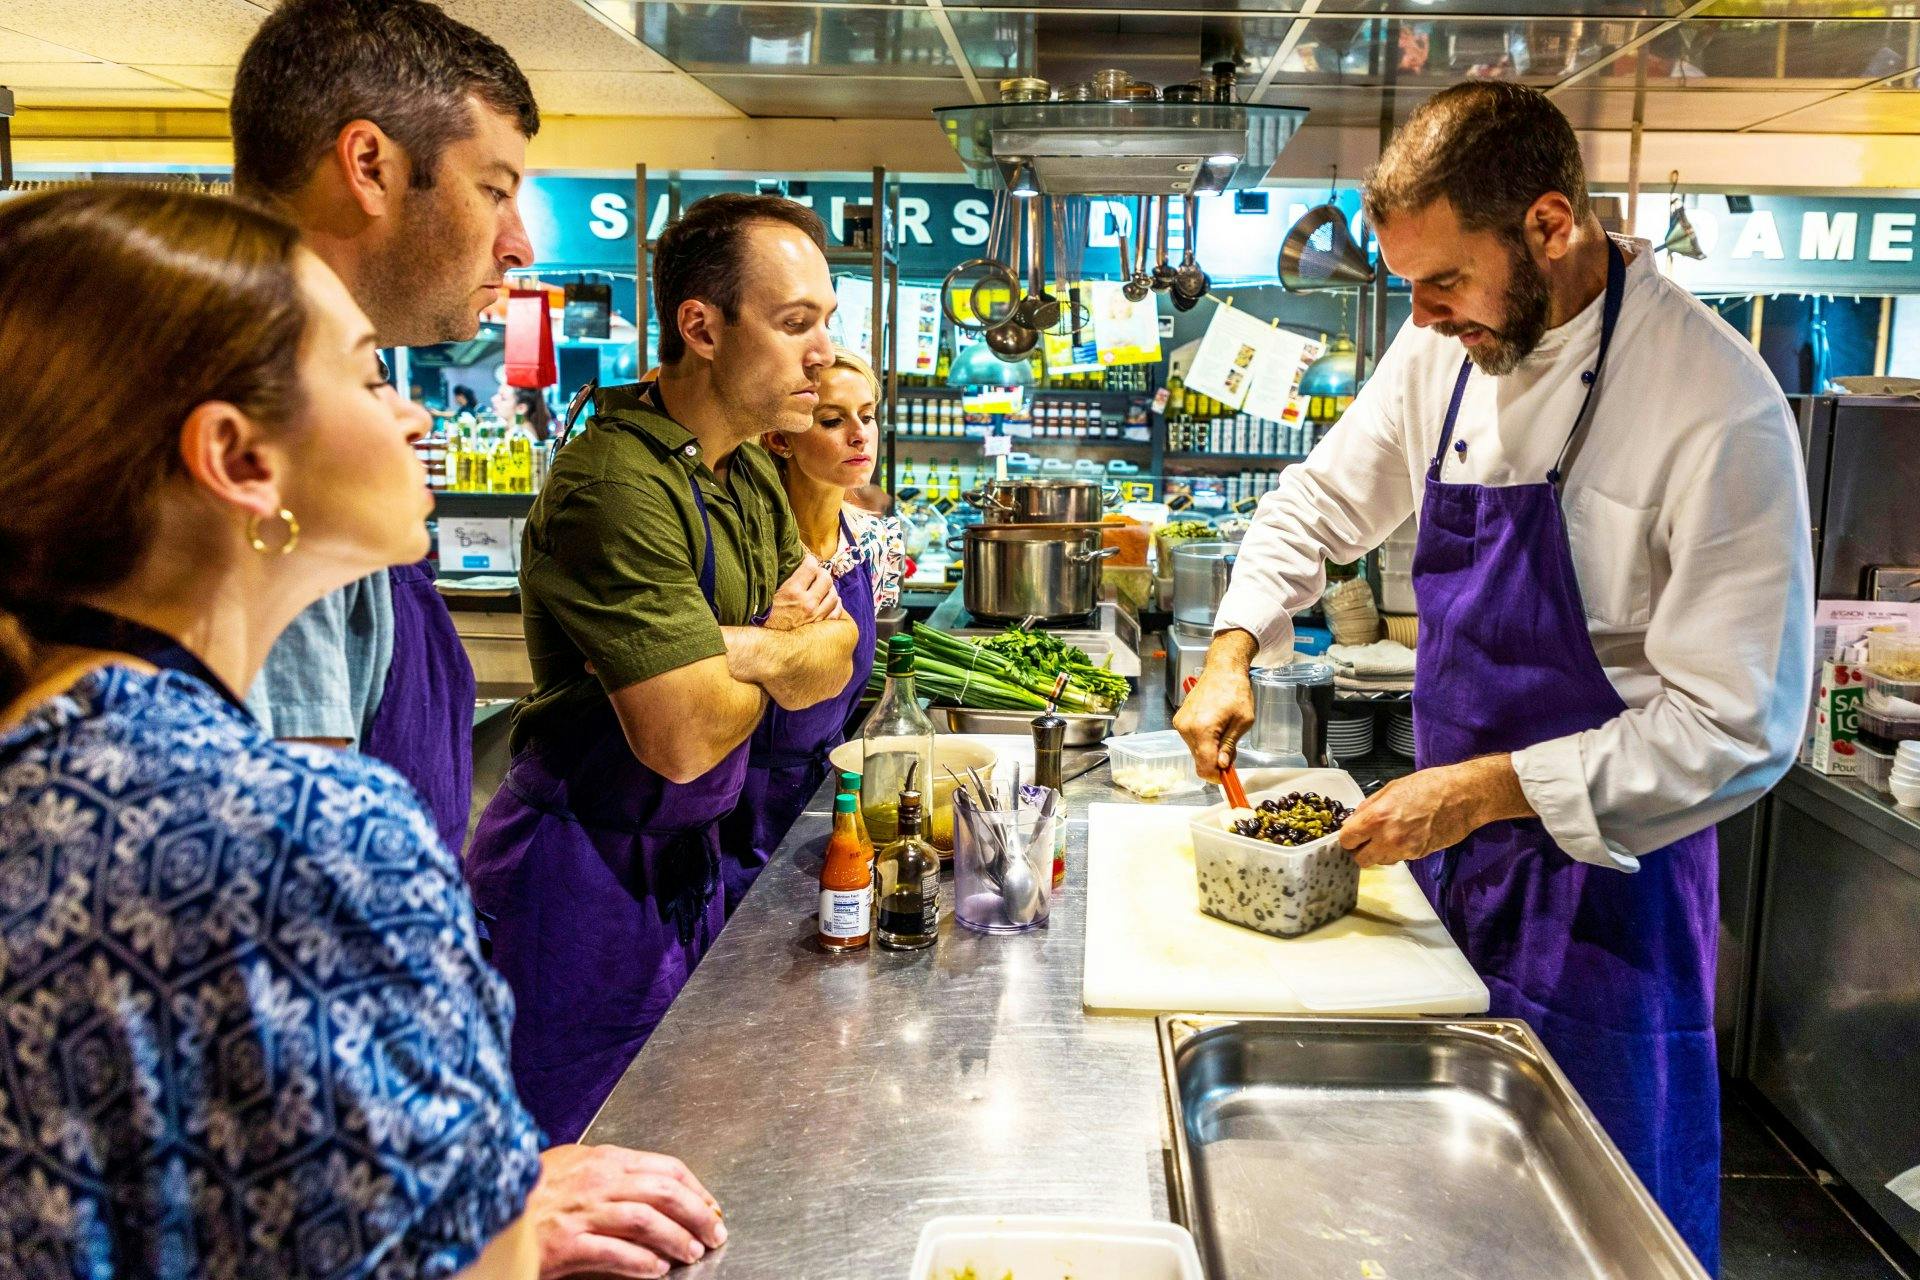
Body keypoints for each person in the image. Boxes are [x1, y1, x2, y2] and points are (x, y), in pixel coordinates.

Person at [0, 186, 726, 1280]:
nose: (418, 415)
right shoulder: (305, 832)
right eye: (369, 374)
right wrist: (497, 1218)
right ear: (239, 459)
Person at [1174, 82, 1812, 1273]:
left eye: (1444, 284)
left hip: (1608, 895)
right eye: (1408, 288)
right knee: (1425, 1203)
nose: (1419, 317)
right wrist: (1233, 646)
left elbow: (1740, 724)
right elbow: (1317, 502)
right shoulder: (1440, 355)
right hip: (1448, 864)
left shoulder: (1717, 408)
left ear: (1551, 225)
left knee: (1593, 1218)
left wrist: (1483, 787)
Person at [465, 194, 859, 1143]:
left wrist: (740, 648)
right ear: (702, 328)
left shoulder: (748, 471)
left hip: (687, 867)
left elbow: (835, 657)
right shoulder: (616, 482)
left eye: (826, 325)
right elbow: (681, 737)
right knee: (573, 1169)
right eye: (795, 323)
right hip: (577, 885)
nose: (821, 354)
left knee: (673, 1147)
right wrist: (777, 643)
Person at [230, 0, 537, 858]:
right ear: (369, 165)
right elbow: (298, 865)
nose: (518, 246)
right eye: (494, 190)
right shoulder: (275, 423)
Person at [716, 347, 905, 912]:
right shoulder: (746, 552)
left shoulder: (877, 542)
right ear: (781, 438)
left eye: (867, 416)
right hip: (737, 812)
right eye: (832, 420)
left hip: (831, 798)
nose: (859, 436)